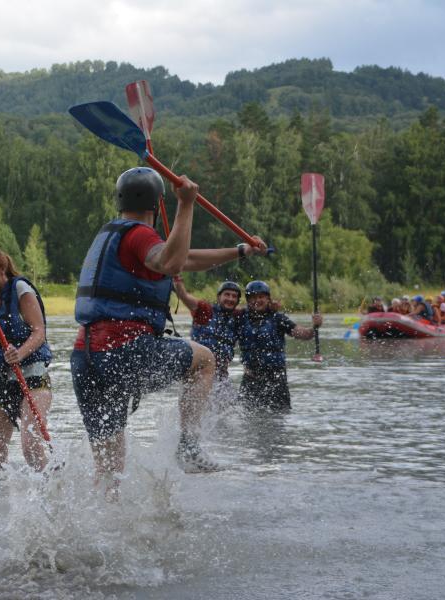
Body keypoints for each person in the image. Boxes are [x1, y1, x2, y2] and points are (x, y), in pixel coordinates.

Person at [69, 166, 267, 494]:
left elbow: (185, 258)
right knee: (203, 360)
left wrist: (240, 251)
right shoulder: (140, 234)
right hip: (125, 351)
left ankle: (101, 533)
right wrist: (186, 204)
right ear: (157, 201)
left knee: (108, 470)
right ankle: (189, 448)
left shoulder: (113, 234)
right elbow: (171, 263)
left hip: (87, 359)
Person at [0, 245, 53, 474]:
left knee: (31, 448)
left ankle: (50, 491)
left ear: (2, 269)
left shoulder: (21, 289)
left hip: (33, 380)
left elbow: (39, 331)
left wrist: (19, 353)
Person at [236, 280, 323, 412]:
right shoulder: (240, 318)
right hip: (250, 381)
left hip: (277, 382)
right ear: (247, 300)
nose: (257, 300)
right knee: (247, 420)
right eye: (253, 297)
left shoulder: (278, 319)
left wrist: (314, 327)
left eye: (261, 297)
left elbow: (304, 334)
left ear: (268, 299)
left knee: (278, 422)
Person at [173, 279, 244, 380]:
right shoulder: (205, 311)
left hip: (222, 376)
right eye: (227, 294)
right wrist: (177, 279)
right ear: (219, 297)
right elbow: (184, 296)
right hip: (198, 374)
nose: (230, 299)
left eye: (234, 296)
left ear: (237, 301)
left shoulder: (238, 318)